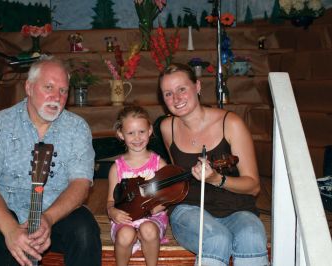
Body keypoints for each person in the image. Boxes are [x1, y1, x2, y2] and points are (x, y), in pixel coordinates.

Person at [0, 56, 101, 266]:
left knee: (85, 229)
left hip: (55, 214)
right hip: (6, 215)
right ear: (29, 87)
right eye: (49, 87)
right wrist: (10, 229)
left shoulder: (77, 128)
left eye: (63, 90)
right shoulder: (0, 125)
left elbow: (81, 184)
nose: (56, 96)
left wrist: (48, 218)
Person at [158, 63, 268, 266]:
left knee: (252, 236)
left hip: (236, 207)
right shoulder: (167, 127)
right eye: (168, 93)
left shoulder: (231, 123)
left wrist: (217, 179)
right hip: (189, 208)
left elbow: (253, 186)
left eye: (182, 89)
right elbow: (178, 178)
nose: (176, 98)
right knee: (216, 238)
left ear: (197, 87)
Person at [106, 106, 168, 266]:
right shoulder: (116, 168)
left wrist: (156, 208)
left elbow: (167, 197)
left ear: (149, 131)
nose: (137, 137)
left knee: (148, 230)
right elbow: (110, 201)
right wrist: (112, 212)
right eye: (131, 133)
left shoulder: (159, 163)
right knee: (125, 234)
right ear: (121, 134)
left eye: (141, 131)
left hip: (152, 217)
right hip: (125, 218)